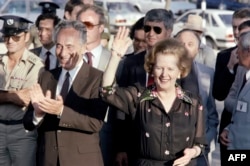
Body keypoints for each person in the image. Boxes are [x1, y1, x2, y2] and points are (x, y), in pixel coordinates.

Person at [101, 27, 206, 166]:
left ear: (180, 72)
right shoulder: (139, 96)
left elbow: (200, 143)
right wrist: (115, 56)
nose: (164, 74)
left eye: (170, 69)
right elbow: (107, 92)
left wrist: (193, 152)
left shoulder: (193, 102)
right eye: (159, 68)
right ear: (151, 70)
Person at [23, 20, 108, 166]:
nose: (62, 53)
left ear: (83, 48)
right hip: (48, 159)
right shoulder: (47, 76)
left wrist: (61, 111)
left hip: (81, 161)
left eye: (69, 47)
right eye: (59, 46)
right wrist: (38, 114)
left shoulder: (97, 78)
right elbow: (28, 123)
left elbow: (95, 123)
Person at [114, 9, 175, 166]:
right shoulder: (130, 63)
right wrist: (121, 148)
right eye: (147, 28)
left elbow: (190, 102)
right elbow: (120, 107)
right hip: (135, 146)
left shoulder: (179, 62)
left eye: (157, 29)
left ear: (168, 32)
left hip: (170, 148)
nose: (150, 33)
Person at [0, 15, 44, 166]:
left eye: (15, 37)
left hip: (22, 131)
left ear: (26, 37)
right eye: (6, 36)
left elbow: (26, 99)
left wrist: (4, 96)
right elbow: (19, 97)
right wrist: (13, 96)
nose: (10, 41)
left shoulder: (36, 65)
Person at [212, 8, 250, 165]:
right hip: (231, 133)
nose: (236, 32)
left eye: (241, 28)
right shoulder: (226, 57)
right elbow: (220, 95)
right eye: (234, 27)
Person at [175, 29, 218, 166]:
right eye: (181, 44)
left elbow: (212, 116)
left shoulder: (208, 74)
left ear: (198, 50)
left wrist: (202, 145)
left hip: (198, 150)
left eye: (190, 44)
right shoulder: (164, 73)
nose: (185, 48)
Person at [220, 31, 250, 150]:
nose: (236, 53)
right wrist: (229, 128)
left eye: (239, 49)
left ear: (248, 51)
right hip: (234, 146)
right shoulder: (243, 72)